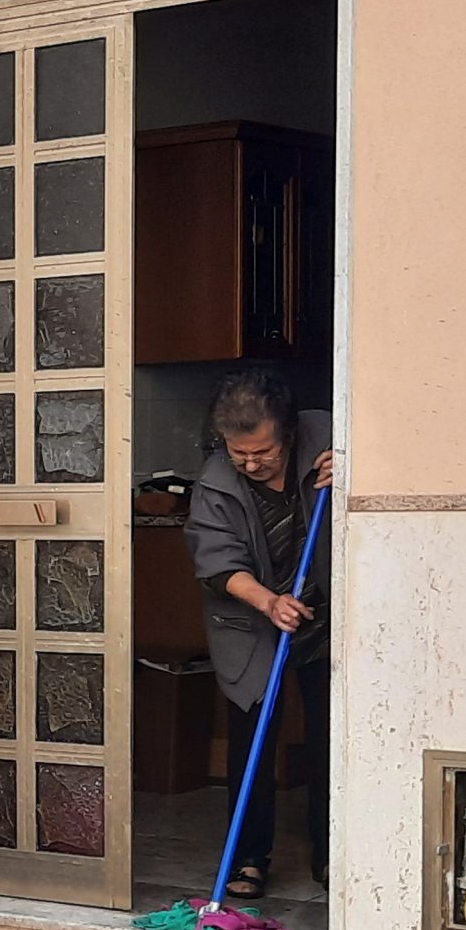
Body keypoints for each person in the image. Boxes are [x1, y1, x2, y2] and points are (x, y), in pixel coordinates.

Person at [186, 366, 333, 901]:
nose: (251, 463)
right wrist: (269, 601)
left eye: (263, 452)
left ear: (288, 432)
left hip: (323, 609)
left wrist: (357, 468)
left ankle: (330, 855)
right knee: (251, 740)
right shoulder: (215, 482)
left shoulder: (329, 434)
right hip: (252, 618)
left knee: (328, 736)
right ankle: (247, 860)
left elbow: (389, 459)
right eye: (239, 452)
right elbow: (218, 563)